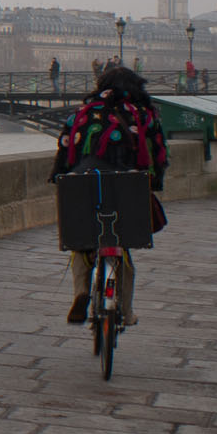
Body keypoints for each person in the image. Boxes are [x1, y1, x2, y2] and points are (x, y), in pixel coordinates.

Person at [48, 64, 168, 327]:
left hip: (84, 184)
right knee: (122, 244)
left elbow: (64, 151)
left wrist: (62, 179)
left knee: (80, 244)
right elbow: (158, 152)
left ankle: (81, 291)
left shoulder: (81, 113)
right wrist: (156, 181)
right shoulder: (144, 115)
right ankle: (126, 311)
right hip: (128, 185)